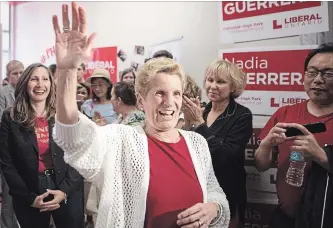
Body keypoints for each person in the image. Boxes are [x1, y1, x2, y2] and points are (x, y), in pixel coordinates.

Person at [51, 3, 230, 227]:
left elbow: (214, 191)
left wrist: (214, 208)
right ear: (140, 100)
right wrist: (67, 72)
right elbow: (74, 137)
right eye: (159, 93)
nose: (169, 102)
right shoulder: (121, 140)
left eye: (176, 93)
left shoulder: (197, 144)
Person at [255, 42, 333, 228]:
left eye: (328, 74)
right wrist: (266, 145)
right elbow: (261, 164)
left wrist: (322, 156)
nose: (317, 80)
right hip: (285, 218)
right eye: (312, 72)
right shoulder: (285, 114)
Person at [0, 63, 84, 228]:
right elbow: (7, 162)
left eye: (45, 79)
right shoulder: (10, 117)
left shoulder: (66, 114)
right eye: (34, 79)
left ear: (51, 84)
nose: (40, 84)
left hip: (66, 185)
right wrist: (28, 197)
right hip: (29, 189)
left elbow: (79, 154)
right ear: (25, 83)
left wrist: (64, 191)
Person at [183, 60, 253, 228]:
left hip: (228, 192)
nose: (213, 86)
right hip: (199, 190)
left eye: (220, 82)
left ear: (233, 87)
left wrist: (199, 124)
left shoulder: (242, 115)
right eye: (210, 80)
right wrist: (187, 123)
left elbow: (226, 157)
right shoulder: (203, 110)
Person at [0, 60, 24, 228]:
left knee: (19, 191)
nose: (19, 76)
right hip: (6, 148)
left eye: (22, 72)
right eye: (15, 73)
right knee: (7, 192)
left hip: (23, 149)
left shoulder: (28, 93)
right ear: (8, 77)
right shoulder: (3, 93)